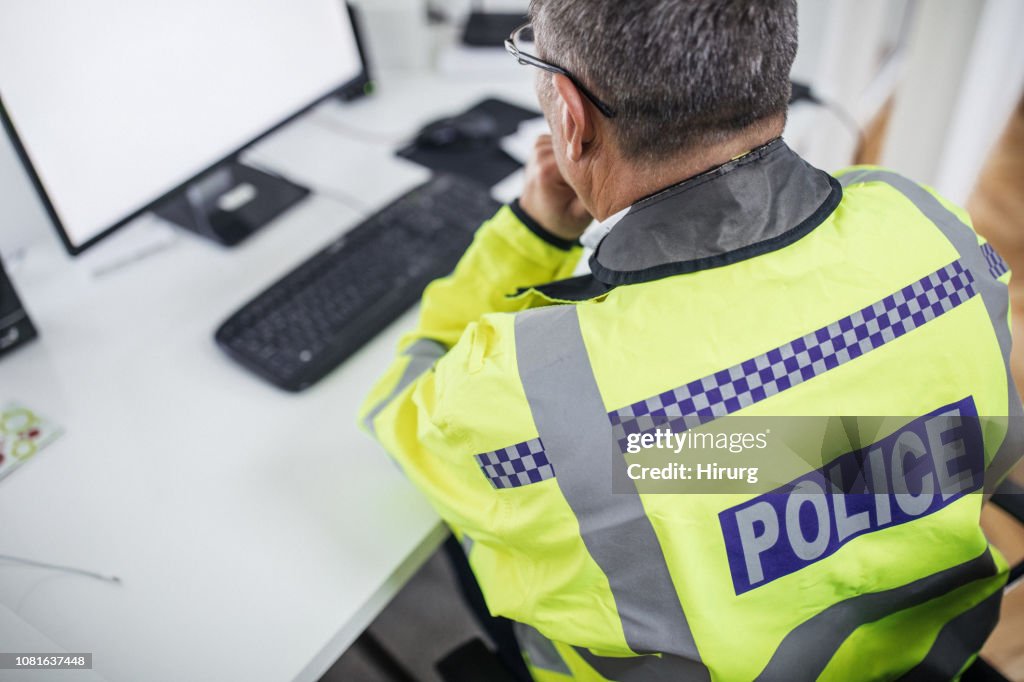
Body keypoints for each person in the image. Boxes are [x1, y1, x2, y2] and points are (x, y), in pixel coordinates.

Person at [360, 1, 1023, 679]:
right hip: (931, 660)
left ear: (569, 113)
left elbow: (404, 404)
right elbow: (765, 448)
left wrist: (531, 233)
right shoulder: (928, 227)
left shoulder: (533, 390)